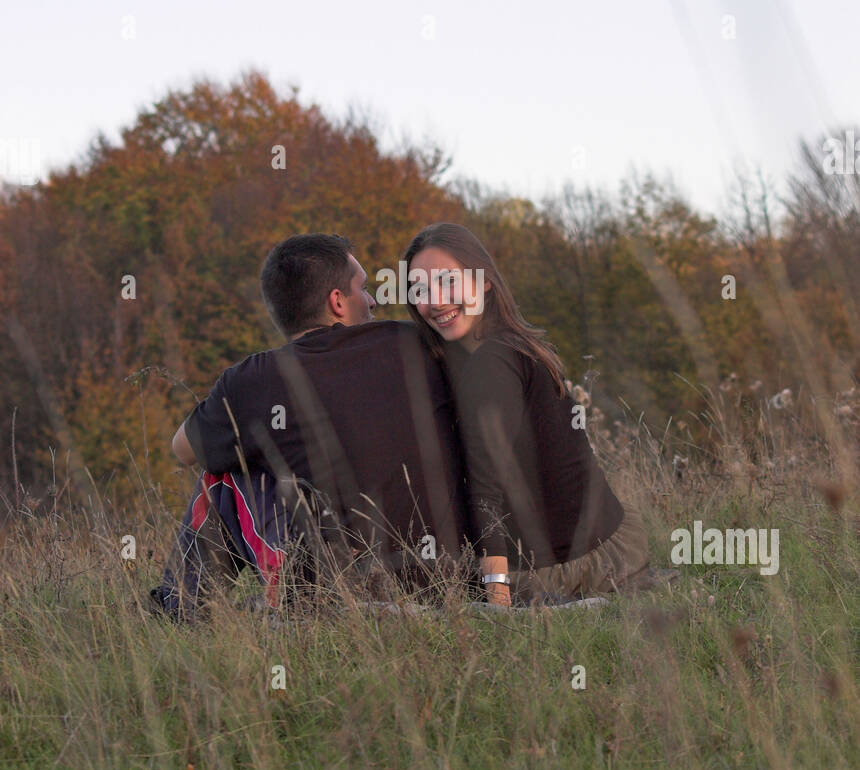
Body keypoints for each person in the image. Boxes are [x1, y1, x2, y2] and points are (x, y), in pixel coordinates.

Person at [152, 233, 470, 619]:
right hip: (453, 576)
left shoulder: (256, 379)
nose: (371, 300)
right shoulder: (416, 344)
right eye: (364, 289)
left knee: (227, 466)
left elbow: (182, 450)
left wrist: (241, 414)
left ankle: (181, 606)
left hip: (349, 588)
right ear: (337, 302)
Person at [402, 222, 666, 609]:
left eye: (447, 282)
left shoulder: (490, 363)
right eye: (421, 290)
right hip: (614, 542)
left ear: (485, 281)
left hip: (560, 568)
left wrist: (497, 597)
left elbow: (486, 488)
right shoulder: (511, 345)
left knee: (409, 583)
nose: (435, 301)